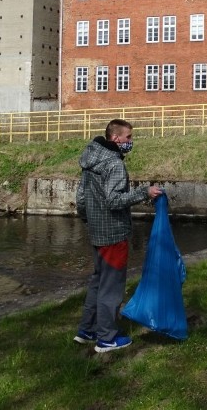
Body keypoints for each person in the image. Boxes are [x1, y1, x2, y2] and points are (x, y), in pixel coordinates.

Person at [73, 118, 163, 353]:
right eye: (129, 137)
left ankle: (87, 329)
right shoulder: (114, 164)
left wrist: (88, 220)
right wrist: (145, 192)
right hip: (113, 233)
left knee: (97, 281)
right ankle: (107, 338)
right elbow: (113, 200)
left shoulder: (90, 160)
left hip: (95, 231)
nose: (131, 142)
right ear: (116, 139)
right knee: (111, 287)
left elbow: (81, 198)